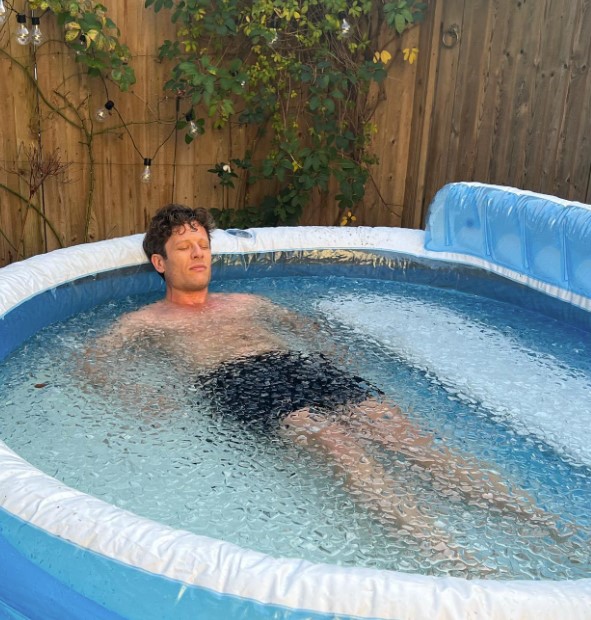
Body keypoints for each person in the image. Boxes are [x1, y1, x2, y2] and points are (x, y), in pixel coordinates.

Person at [95, 204, 567, 566]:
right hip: (236, 379)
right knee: (335, 443)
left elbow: (309, 329)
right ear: (160, 261)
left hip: (299, 366)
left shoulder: (245, 300)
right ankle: (445, 551)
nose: (199, 255)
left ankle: (548, 527)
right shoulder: (147, 321)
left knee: (404, 437)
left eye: (203, 245)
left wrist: (340, 359)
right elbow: (94, 361)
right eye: (185, 248)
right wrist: (132, 394)